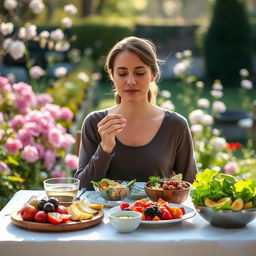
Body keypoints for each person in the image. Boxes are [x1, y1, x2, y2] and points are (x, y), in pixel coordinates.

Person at [75, 36, 197, 189]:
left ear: (153, 74)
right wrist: (105, 147)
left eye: (139, 73)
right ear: (112, 75)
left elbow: (191, 187)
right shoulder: (95, 122)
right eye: (122, 73)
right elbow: (83, 188)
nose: (131, 81)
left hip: (159, 212)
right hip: (105, 213)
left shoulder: (176, 125)